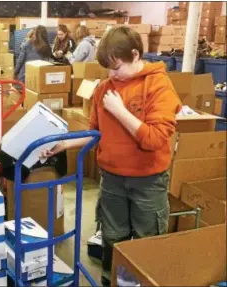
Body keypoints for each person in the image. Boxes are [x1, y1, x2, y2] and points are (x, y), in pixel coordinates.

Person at [41, 26, 182, 286]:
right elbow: (95, 133)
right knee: (112, 236)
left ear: (136, 55)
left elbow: (154, 139)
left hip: (148, 181)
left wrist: (119, 111)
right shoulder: (104, 88)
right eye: (107, 68)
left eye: (116, 67)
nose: (112, 75)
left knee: (146, 239)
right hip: (112, 179)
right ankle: (111, 280)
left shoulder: (158, 85)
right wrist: (65, 144)